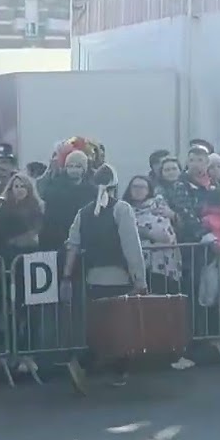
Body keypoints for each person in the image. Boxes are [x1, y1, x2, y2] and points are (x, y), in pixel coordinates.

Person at [63, 164, 149, 392]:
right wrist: (140, 279)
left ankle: (86, 365)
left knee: (101, 327)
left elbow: (72, 244)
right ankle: (100, 368)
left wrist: (66, 276)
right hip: (120, 278)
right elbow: (132, 246)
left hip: (93, 278)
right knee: (121, 329)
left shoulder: (84, 212)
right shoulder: (122, 209)